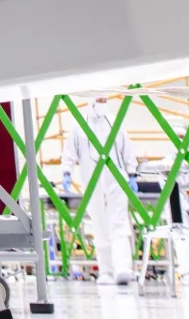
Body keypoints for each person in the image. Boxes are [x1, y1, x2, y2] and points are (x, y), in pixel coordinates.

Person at [63, 96, 137, 286]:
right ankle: (106, 270)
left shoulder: (115, 123)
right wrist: (66, 171)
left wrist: (132, 173)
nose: (102, 102)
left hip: (116, 180)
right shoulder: (79, 127)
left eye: (104, 99)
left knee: (118, 223)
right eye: (99, 99)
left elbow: (127, 149)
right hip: (91, 181)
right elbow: (69, 152)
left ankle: (123, 267)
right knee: (99, 224)